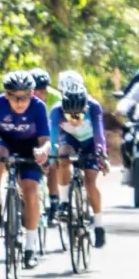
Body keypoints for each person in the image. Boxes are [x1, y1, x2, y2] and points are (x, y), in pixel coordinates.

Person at [0, 70, 51, 269]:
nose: (20, 103)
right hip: (5, 142)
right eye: (15, 98)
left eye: (25, 97)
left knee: (30, 193)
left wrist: (43, 151)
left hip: (30, 147)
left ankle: (30, 248)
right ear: (6, 95)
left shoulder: (38, 106)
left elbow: (46, 141)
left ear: (32, 93)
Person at [51, 84, 109, 248]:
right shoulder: (56, 111)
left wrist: (100, 153)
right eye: (70, 115)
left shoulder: (94, 107)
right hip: (70, 141)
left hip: (91, 143)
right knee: (62, 156)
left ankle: (98, 225)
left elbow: (99, 134)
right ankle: (63, 202)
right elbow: (52, 137)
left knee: (90, 183)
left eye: (80, 114)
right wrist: (49, 159)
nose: (75, 119)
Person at [29, 67, 63, 226]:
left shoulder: (56, 98)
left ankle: (54, 200)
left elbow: (59, 125)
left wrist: (52, 152)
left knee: (53, 163)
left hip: (51, 134)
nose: (39, 94)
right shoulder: (24, 98)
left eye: (43, 90)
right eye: (36, 90)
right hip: (30, 134)